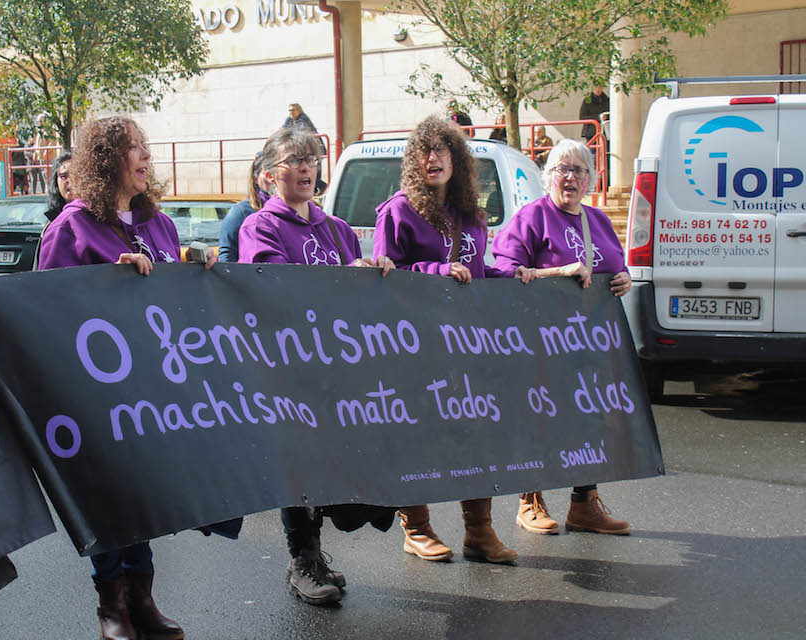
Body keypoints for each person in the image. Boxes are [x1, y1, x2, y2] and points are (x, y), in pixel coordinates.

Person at [37, 116, 213, 640]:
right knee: (110, 494)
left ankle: (143, 601)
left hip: (155, 386)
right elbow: (46, 308)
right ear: (106, 160)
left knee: (143, 492)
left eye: (144, 147)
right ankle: (111, 606)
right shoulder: (70, 227)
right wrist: (109, 282)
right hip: (99, 391)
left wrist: (193, 270)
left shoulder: (157, 222)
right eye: (132, 148)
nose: (144, 157)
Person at [238, 127, 393, 607]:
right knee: (298, 463)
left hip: (336, 368)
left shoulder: (337, 229)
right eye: (294, 159)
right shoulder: (259, 227)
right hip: (289, 369)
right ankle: (302, 559)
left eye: (312, 158)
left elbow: (355, 294)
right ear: (269, 175)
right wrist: (345, 277)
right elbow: (272, 287)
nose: (307, 166)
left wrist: (377, 273)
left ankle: (317, 554)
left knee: (329, 458)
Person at [372, 115, 520, 566]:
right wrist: (435, 271)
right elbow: (383, 278)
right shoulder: (396, 211)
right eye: (425, 150)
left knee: (476, 435)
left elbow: (476, 273)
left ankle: (479, 531)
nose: (432, 157)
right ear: (414, 162)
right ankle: (416, 527)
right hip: (417, 347)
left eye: (442, 149)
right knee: (419, 438)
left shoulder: (471, 214)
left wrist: (516, 276)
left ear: (457, 159)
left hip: (469, 346)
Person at [491, 138, 632, 537]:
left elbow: (613, 268)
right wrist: (556, 274)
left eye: (579, 171)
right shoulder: (530, 218)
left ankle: (584, 505)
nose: (570, 177)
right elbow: (504, 273)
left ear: (590, 180)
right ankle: (529, 501)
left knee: (589, 420)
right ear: (546, 176)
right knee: (539, 418)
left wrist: (623, 280)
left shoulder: (598, 221)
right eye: (561, 169)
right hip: (539, 344)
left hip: (589, 343)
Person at [218, 153, 271, 262]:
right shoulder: (241, 211)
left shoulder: (301, 209)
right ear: (256, 178)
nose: (272, 178)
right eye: (267, 173)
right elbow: (227, 258)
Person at [282, 103, 327, 195]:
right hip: (302, 150)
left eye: (293, 110)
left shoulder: (303, 119)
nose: (291, 112)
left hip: (313, 149)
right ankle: (315, 188)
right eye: (289, 110)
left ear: (299, 110)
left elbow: (301, 131)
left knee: (312, 169)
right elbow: (283, 130)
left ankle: (320, 186)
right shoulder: (289, 120)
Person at [44, 150, 74, 221]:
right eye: (64, 176)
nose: (70, 181)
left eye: (75, 175)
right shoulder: (53, 221)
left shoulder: (97, 217)